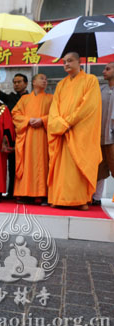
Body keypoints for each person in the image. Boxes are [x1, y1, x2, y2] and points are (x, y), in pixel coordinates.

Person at [48, 52, 102, 210]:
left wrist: (69, 122)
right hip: (63, 133)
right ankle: (59, 198)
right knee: (61, 168)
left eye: (70, 61)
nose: (66, 64)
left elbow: (89, 106)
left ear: (80, 62)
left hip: (79, 131)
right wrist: (60, 124)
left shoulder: (90, 80)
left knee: (77, 166)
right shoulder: (61, 84)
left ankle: (80, 200)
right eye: (64, 62)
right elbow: (54, 109)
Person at [12, 74, 52, 204]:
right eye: (42, 78)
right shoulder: (24, 99)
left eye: (46, 79)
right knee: (25, 162)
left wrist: (43, 120)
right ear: (34, 82)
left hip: (42, 136)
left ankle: (41, 193)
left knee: (41, 163)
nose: (45, 81)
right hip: (27, 135)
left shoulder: (51, 98)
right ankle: (23, 193)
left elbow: (56, 115)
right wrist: (28, 120)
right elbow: (15, 114)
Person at [0, 66, 29, 199]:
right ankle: (11, 192)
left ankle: (24, 193)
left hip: (27, 135)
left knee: (26, 165)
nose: (16, 84)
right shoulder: (10, 98)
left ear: (26, 83)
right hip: (12, 136)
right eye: (14, 82)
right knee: (12, 165)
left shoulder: (31, 97)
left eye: (19, 82)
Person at [92, 62, 114, 206]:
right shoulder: (100, 90)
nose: (104, 71)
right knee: (99, 169)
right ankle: (96, 197)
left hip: (113, 137)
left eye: (108, 69)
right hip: (99, 136)